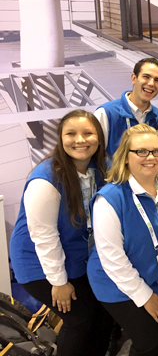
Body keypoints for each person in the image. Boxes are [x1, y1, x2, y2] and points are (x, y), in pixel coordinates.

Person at [10, 110, 113, 356]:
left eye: (88, 133)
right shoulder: (45, 180)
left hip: (76, 255)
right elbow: (43, 238)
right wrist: (58, 282)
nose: (80, 140)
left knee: (105, 312)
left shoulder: (100, 167)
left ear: (98, 137)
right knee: (79, 319)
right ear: (60, 138)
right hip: (39, 262)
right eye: (71, 134)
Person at [87, 124, 158, 356]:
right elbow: (113, 259)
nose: (150, 157)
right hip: (116, 282)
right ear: (126, 157)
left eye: (156, 151)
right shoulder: (110, 199)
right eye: (141, 151)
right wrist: (144, 297)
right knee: (151, 344)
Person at [94, 57, 158, 156]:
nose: (151, 83)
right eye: (146, 77)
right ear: (134, 78)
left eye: (157, 80)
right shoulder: (105, 113)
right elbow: (94, 155)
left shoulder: (156, 115)